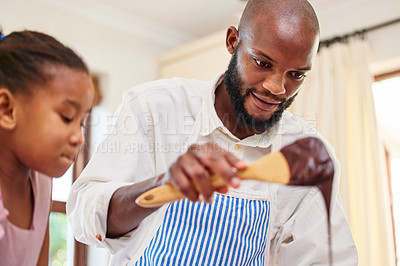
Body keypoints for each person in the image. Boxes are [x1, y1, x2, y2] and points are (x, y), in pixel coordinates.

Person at [67, 0, 358, 265]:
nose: (277, 87)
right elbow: (84, 216)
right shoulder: (153, 108)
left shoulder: (307, 156)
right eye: (262, 63)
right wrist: (160, 186)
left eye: (296, 74)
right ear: (233, 41)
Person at [0, 29, 94, 265]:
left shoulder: (41, 181)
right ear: (7, 110)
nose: (79, 138)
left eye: (81, 123)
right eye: (66, 117)